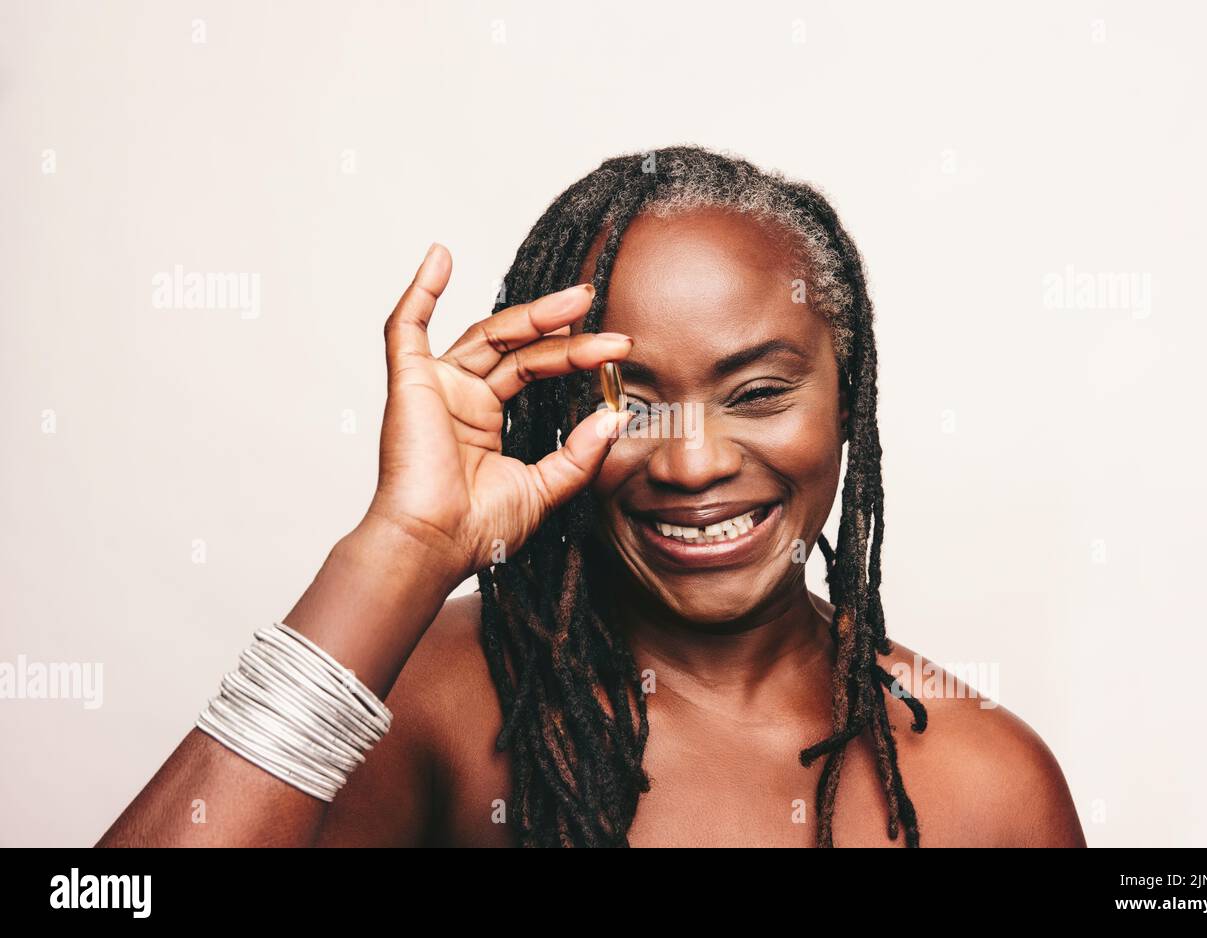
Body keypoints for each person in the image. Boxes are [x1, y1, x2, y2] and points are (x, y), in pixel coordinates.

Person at [98, 146, 1086, 848]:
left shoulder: (985, 782)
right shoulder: (434, 702)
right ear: (554, 408)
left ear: (847, 401)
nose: (692, 464)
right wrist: (399, 546)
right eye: (627, 403)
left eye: (756, 393)